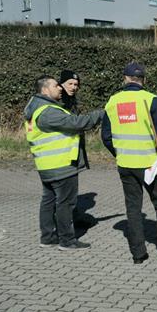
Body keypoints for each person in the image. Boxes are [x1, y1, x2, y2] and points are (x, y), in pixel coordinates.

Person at [102, 62, 157, 264]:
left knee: (133, 207)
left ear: (125, 78)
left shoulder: (112, 102)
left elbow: (105, 136)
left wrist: (119, 152)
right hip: (151, 165)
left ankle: (138, 254)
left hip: (126, 165)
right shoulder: (151, 99)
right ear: (143, 80)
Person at [24, 76, 104, 250]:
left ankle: (48, 237)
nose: (60, 88)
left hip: (46, 165)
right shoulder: (48, 111)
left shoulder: (36, 108)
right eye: (55, 86)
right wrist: (101, 114)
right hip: (61, 165)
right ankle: (67, 240)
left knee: (49, 201)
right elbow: (77, 123)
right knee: (65, 203)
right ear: (45, 90)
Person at [59, 69, 99, 228]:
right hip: (63, 152)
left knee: (72, 188)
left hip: (73, 151)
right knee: (65, 192)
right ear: (61, 83)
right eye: (70, 83)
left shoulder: (71, 101)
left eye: (76, 84)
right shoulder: (59, 101)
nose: (74, 87)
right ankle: (65, 226)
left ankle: (74, 217)